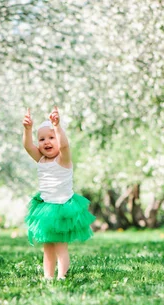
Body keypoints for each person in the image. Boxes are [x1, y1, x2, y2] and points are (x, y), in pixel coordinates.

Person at [22, 106, 95, 280]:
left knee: (61, 246)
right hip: (46, 207)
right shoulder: (40, 159)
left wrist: (57, 127)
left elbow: (64, 144)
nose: (46, 142)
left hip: (62, 207)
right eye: (41, 139)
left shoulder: (63, 159)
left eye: (51, 138)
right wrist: (27, 130)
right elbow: (27, 146)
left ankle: (62, 275)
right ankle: (48, 276)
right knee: (47, 246)